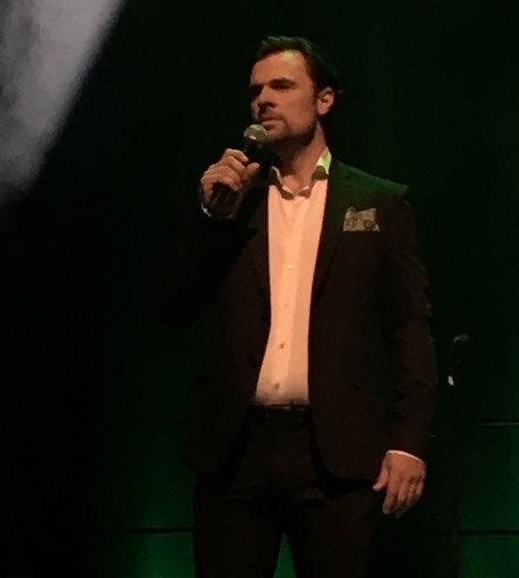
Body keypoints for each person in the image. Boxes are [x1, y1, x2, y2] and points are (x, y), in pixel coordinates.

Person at [170, 36, 437, 577]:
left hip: (336, 454)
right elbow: (174, 306)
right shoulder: (233, 203)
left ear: (324, 100)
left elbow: (409, 326)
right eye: (255, 91)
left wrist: (409, 443)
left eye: (281, 86)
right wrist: (210, 218)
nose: (263, 100)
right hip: (236, 451)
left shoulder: (378, 201)